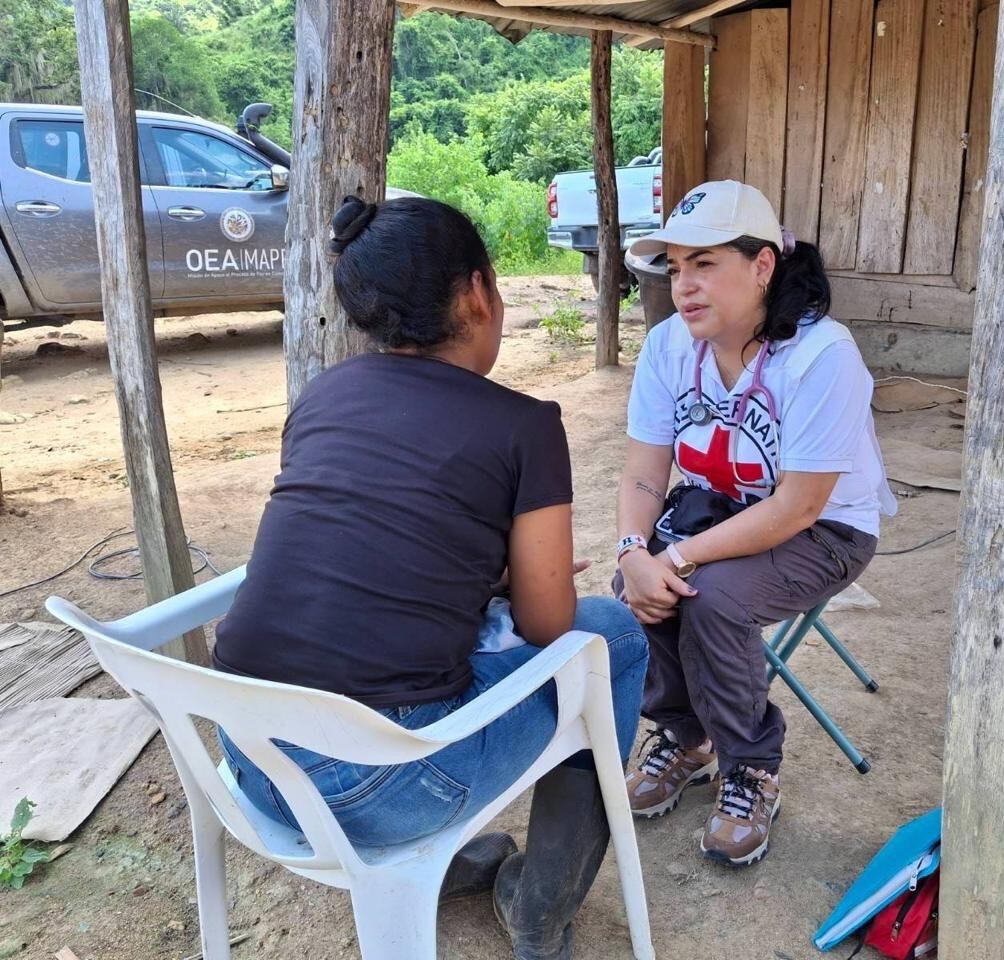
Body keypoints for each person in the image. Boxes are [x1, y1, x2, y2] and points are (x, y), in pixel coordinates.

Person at [212, 195, 648, 959]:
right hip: (378, 790)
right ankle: (537, 907)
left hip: (248, 761)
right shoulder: (523, 424)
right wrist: (523, 581)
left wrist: (482, 572)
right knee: (611, 635)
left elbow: (361, 551)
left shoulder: (323, 395)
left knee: (455, 641)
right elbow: (550, 628)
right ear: (478, 293)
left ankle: (450, 862)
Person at [613, 180, 895, 867]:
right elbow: (646, 471)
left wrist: (677, 560)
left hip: (826, 531)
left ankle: (750, 767)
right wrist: (631, 552)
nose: (685, 286)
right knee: (638, 592)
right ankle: (686, 737)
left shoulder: (822, 356)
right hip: (719, 511)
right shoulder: (667, 348)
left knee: (713, 599)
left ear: (763, 264)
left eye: (705, 264)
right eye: (676, 268)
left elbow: (798, 506)